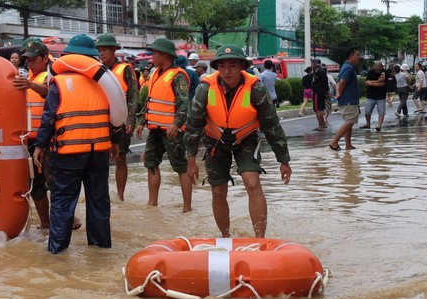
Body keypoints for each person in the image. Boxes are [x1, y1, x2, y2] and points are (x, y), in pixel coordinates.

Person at [184, 44, 291, 238]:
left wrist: (283, 160)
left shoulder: (256, 89)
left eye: (232, 65)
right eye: (222, 66)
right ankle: (226, 238)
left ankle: (260, 240)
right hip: (215, 141)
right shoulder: (205, 89)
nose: (227, 71)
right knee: (217, 191)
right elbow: (193, 126)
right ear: (216, 68)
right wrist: (191, 161)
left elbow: (272, 125)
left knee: (252, 182)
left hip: (246, 138)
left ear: (242, 66)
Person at [32, 34, 115, 254]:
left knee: (62, 203)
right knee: (99, 202)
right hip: (98, 152)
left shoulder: (58, 83)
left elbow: (49, 118)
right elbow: (116, 117)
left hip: (68, 153)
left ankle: (57, 254)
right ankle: (100, 250)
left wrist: (39, 145)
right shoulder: (105, 83)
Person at [135, 38, 192, 211]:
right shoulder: (154, 73)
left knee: (181, 166)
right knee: (151, 163)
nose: (151, 56)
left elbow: (184, 104)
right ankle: (152, 204)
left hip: (172, 130)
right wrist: (141, 121)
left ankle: (187, 208)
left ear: (165, 54)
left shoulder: (178, 75)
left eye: (154, 53)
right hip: (154, 129)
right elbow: (149, 100)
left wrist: (176, 123)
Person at [13, 37, 55, 229]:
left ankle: (67, 219)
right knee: (36, 185)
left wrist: (29, 86)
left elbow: (48, 91)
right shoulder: (28, 76)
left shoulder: (51, 74)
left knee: (54, 182)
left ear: (45, 58)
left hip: (48, 140)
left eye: (34, 59)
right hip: (29, 140)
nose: (30, 63)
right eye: (27, 60)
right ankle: (45, 224)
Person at [96, 33, 138, 201]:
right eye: (99, 50)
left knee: (120, 158)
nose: (102, 53)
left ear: (114, 50)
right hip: (101, 120)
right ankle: (102, 194)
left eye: (105, 49)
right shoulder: (97, 69)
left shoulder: (126, 69)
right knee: (100, 159)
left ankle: (120, 196)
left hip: (120, 121)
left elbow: (134, 96)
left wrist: (131, 120)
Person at [328, 47, 363, 151]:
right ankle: (334, 142)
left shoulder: (345, 66)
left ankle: (348, 144)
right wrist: (340, 93)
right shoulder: (349, 68)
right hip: (349, 100)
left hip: (348, 100)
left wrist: (339, 93)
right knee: (350, 121)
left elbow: (339, 82)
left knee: (349, 122)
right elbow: (342, 82)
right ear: (351, 56)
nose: (359, 57)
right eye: (357, 54)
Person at [361, 61, 387, 131]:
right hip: (370, 95)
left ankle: (379, 125)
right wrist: (378, 81)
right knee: (367, 111)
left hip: (381, 96)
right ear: (374, 67)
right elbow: (366, 82)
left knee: (381, 112)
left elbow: (382, 84)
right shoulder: (370, 72)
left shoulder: (385, 72)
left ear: (382, 67)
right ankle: (368, 124)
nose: (377, 70)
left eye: (379, 68)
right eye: (376, 68)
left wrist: (371, 83)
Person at [311, 59, 330, 130]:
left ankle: (321, 125)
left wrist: (327, 91)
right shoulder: (315, 72)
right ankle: (323, 124)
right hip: (319, 92)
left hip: (318, 93)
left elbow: (325, 82)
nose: (311, 64)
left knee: (317, 109)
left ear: (316, 64)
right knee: (320, 108)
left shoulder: (320, 72)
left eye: (312, 63)